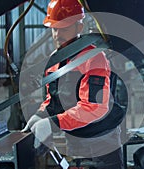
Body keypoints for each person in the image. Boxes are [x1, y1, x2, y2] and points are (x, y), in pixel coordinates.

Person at [22, 0, 124, 168]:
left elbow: (94, 107)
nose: (57, 34)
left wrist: (53, 123)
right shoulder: (55, 59)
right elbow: (52, 99)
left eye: (64, 29)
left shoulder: (94, 58)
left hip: (102, 141)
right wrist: (40, 115)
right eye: (54, 29)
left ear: (79, 27)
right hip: (75, 140)